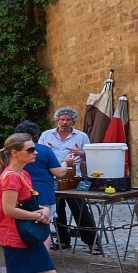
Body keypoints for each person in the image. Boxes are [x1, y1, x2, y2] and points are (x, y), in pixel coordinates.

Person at [0, 133, 58, 273]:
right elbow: (8, 209)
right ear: (15, 153)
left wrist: (43, 211)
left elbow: (25, 204)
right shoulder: (11, 176)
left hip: (28, 233)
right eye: (30, 150)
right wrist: (37, 215)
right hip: (15, 234)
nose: (35, 153)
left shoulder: (22, 174)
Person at [39, 107, 99, 254]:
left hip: (74, 177)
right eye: (62, 119)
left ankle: (93, 242)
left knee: (80, 210)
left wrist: (82, 153)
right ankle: (63, 240)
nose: (64, 122)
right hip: (52, 177)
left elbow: (91, 156)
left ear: (73, 121)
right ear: (57, 120)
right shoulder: (47, 135)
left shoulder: (81, 136)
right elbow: (38, 153)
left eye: (68, 120)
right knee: (56, 210)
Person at [16, 119, 68, 244]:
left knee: (23, 227)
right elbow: (59, 172)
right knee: (43, 228)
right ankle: (43, 259)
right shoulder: (43, 150)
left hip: (20, 191)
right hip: (43, 192)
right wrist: (66, 162)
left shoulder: (12, 151)